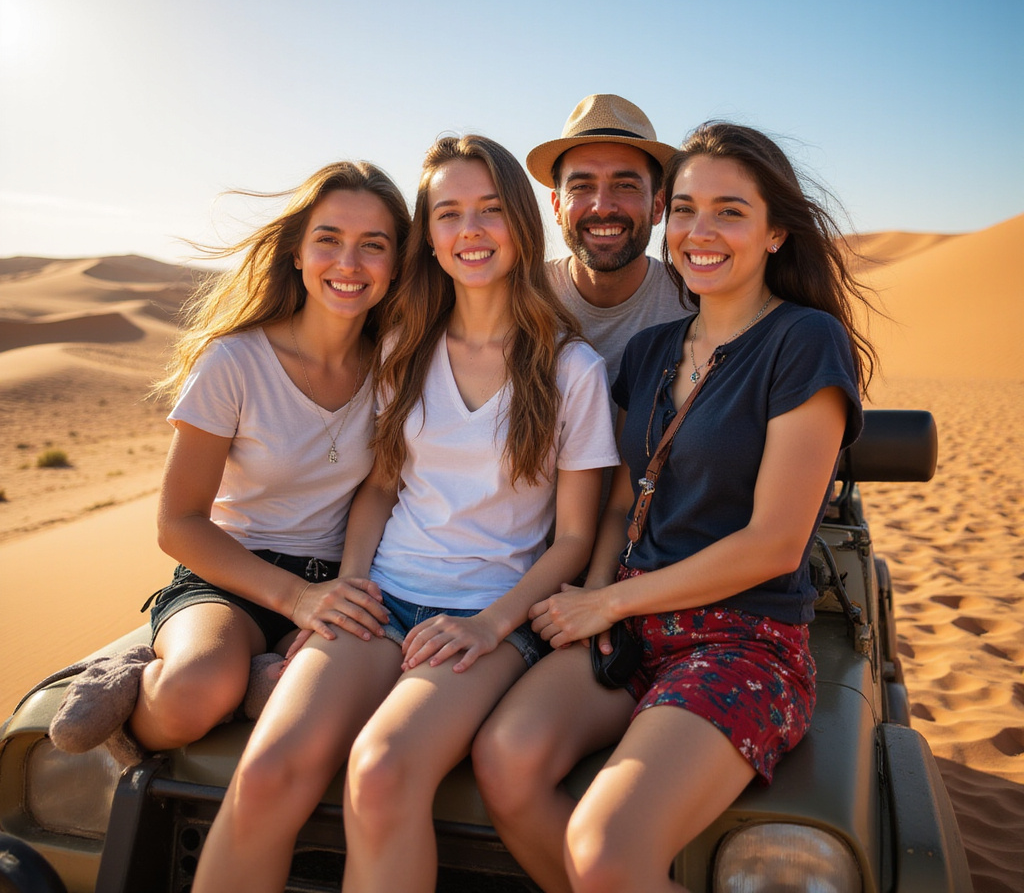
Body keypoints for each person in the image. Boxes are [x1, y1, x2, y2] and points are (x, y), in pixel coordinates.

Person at [189, 134, 619, 893]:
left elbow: (577, 538)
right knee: (267, 771)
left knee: (382, 770)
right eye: (448, 214)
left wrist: (493, 624)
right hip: (383, 598)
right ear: (430, 235)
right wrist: (344, 589)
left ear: (522, 222)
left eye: (489, 210)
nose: (470, 231)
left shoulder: (570, 368)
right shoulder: (403, 346)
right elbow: (381, 489)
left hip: (485, 618)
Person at [472, 122, 874, 893]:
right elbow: (625, 493)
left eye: (729, 211)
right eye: (686, 209)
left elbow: (773, 545)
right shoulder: (653, 349)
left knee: (605, 846)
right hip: (629, 629)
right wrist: (592, 591)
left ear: (775, 231)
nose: (701, 231)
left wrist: (609, 601)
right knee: (504, 763)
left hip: (742, 638)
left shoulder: (803, 342)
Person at [49, 161, 411, 766]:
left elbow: (379, 487)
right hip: (231, 578)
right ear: (297, 253)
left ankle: (256, 680)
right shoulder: (235, 362)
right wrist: (294, 599)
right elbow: (178, 523)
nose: (348, 264)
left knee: (339, 711)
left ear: (397, 263)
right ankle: (138, 672)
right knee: (195, 695)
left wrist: (343, 585)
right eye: (329, 240)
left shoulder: (395, 367)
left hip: (340, 584)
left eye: (373, 246)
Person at [527, 93, 685, 379]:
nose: (602, 207)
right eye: (582, 186)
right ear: (557, 206)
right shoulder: (524, 299)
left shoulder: (695, 306)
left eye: (625, 185)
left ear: (658, 205)